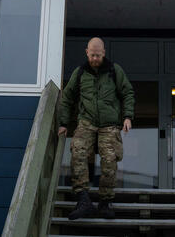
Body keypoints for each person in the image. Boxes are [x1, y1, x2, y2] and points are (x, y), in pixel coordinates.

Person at [57, 37, 135, 220]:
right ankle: (83, 200)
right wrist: (63, 123)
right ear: (86, 52)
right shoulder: (80, 73)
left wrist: (127, 117)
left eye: (98, 56)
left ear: (104, 53)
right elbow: (67, 98)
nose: (94, 59)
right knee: (78, 151)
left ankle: (105, 202)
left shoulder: (115, 71)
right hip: (86, 122)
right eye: (92, 55)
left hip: (110, 125)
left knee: (109, 161)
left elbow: (128, 93)